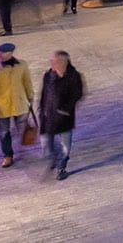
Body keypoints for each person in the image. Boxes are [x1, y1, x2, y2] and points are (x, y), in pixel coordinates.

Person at [0, 40, 35, 168]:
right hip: (2, 107)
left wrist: (30, 96)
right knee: (4, 132)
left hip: (19, 102)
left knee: (21, 128)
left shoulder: (22, 65)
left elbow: (26, 81)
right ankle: (8, 155)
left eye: (3, 53)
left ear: (11, 53)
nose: (0, 55)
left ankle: (22, 146)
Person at [38, 50, 83, 180]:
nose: (51, 63)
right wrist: (41, 109)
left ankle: (61, 167)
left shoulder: (73, 76)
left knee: (65, 146)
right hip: (48, 117)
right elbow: (44, 94)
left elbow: (77, 94)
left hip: (64, 118)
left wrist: (65, 109)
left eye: (54, 61)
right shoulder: (48, 75)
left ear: (63, 62)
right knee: (47, 144)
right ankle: (54, 158)